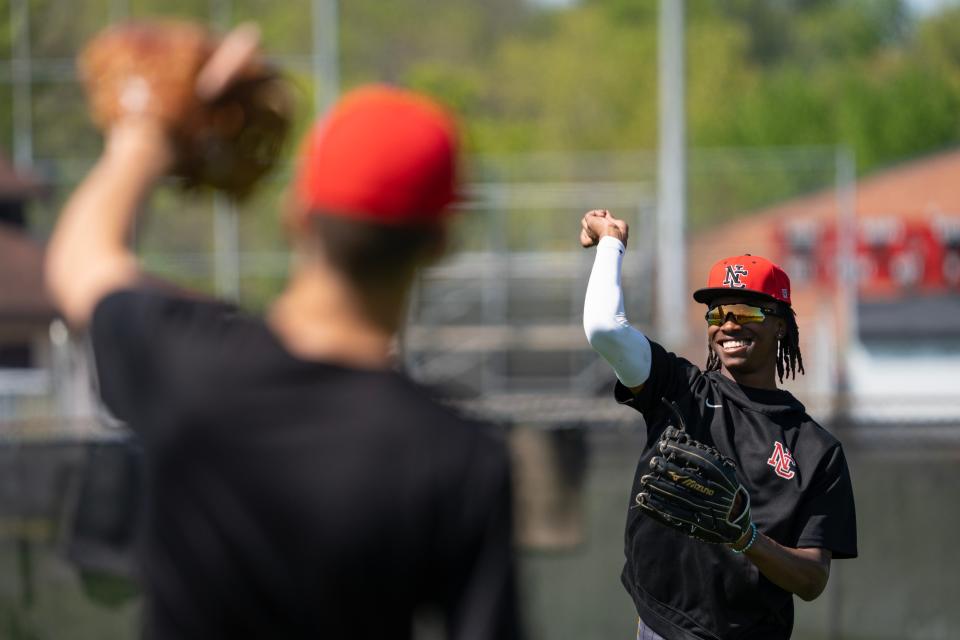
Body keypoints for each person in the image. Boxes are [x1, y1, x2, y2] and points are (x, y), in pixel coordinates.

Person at [45, 83, 521, 639]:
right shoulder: (458, 459)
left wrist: (145, 131)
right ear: (439, 241)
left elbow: (81, 262)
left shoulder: (189, 367)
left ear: (297, 212)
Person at [579, 209, 857, 640]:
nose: (728, 324)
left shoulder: (815, 449)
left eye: (746, 311)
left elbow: (812, 580)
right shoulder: (678, 389)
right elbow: (604, 329)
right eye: (717, 313)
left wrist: (746, 537)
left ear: (781, 325)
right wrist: (612, 242)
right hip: (661, 627)